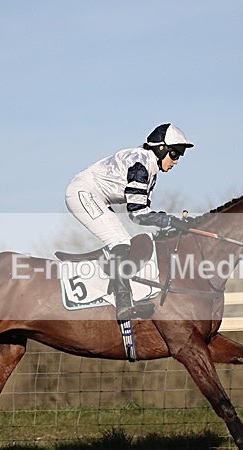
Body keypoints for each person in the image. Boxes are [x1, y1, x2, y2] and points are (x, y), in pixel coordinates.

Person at [65, 123, 195, 321]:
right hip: (83, 192)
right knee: (120, 241)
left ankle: (123, 295)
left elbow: (139, 214)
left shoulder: (151, 171)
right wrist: (171, 221)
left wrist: (171, 221)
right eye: (175, 154)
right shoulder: (141, 165)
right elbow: (138, 213)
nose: (176, 161)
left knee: (123, 239)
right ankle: (124, 303)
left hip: (96, 196)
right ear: (161, 149)